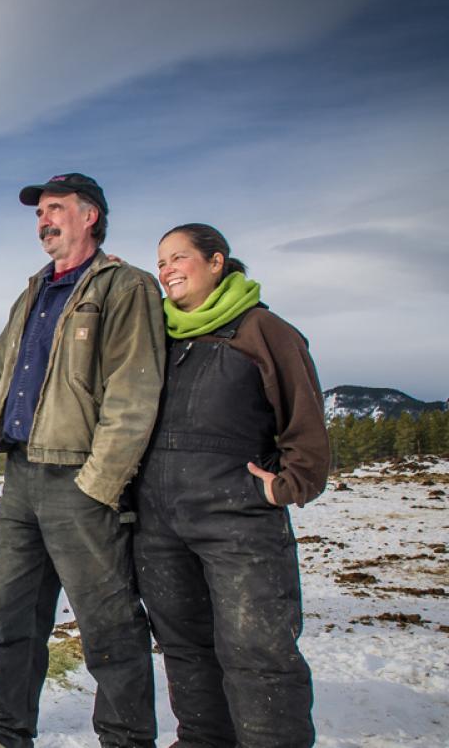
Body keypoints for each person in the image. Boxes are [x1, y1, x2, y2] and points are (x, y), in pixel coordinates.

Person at [0, 173, 165, 748]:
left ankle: (126, 739)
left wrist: (99, 484)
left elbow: (133, 396)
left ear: (89, 216)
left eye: (54, 209)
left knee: (107, 622)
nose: (43, 221)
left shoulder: (124, 288)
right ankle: (5, 729)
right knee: (16, 617)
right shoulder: (32, 295)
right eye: (39, 213)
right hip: (22, 479)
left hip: (81, 479)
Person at [133, 223, 329, 748]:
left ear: (216, 261)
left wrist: (285, 487)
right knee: (184, 644)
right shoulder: (158, 337)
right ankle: (202, 741)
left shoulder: (263, 330)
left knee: (257, 648)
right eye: (161, 262)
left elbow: (306, 425)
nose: (167, 270)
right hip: (160, 526)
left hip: (237, 521)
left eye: (179, 258)